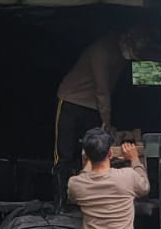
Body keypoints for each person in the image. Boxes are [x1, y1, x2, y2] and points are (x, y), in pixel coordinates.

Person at [53, 23, 150, 207]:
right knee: (65, 154)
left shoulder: (122, 53)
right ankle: (60, 203)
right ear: (126, 40)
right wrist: (107, 123)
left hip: (94, 106)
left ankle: (95, 198)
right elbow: (103, 91)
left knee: (95, 150)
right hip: (72, 101)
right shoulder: (102, 51)